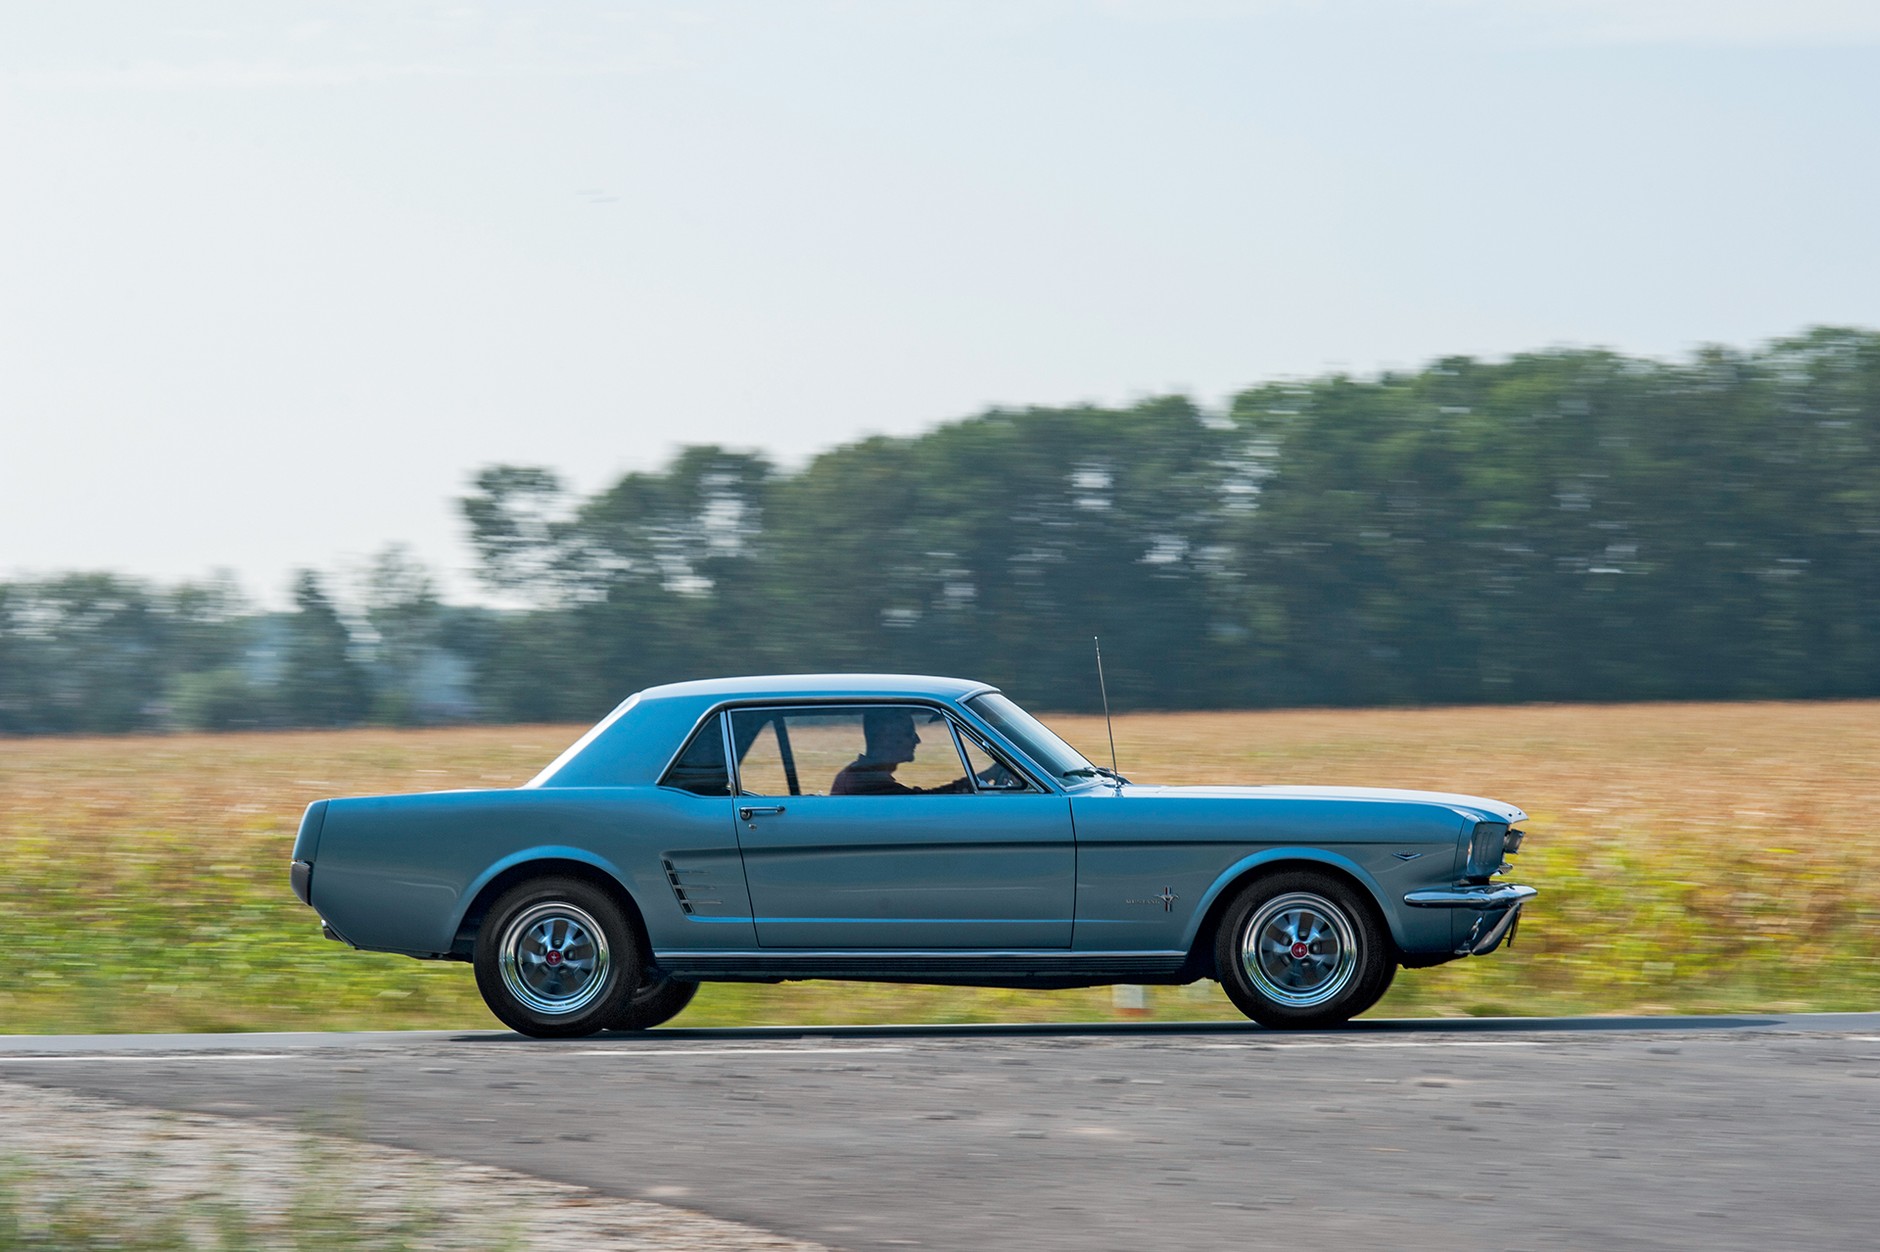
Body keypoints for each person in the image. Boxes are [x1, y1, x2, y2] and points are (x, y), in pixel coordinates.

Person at [830, 709, 974, 795]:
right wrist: (973, 783)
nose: (917, 740)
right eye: (909, 732)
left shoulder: (861, 776)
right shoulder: (864, 780)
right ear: (885, 738)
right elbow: (921, 803)